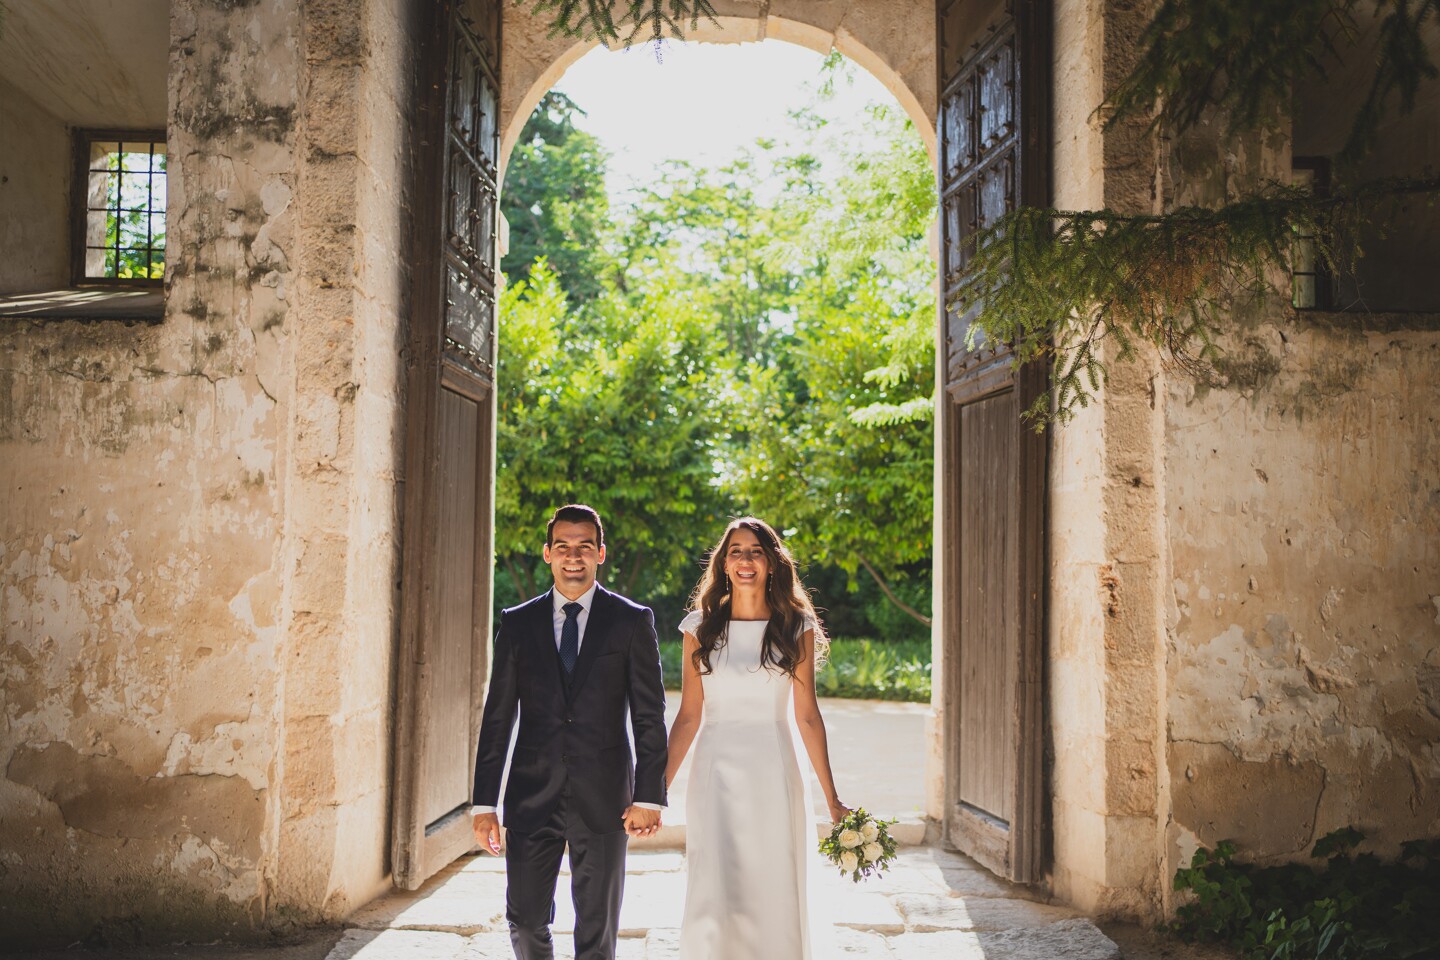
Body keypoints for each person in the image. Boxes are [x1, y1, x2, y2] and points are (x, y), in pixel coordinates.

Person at [471, 504, 669, 960]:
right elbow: (498, 717)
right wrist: (485, 804)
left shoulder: (631, 621)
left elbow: (648, 716)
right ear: (548, 553)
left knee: (597, 931)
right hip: (531, 795)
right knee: (524, 921)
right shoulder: (517, 623)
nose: (573, 556)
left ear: (601, 553)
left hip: (605, 798)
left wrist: (648, 796)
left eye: (584, 546)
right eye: (563, 546)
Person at [665, 517, 849, 960]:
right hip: (715, 772)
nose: (745, 560)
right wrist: (655, 790)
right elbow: (688, 716)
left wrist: (832, 798)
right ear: (724, 564)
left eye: (756, 551)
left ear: (771, 563)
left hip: (774, 769)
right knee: (716, 882)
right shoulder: (698, 627)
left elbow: (807, 717)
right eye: (736, 551)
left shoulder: (796, 626)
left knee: (773, 879)